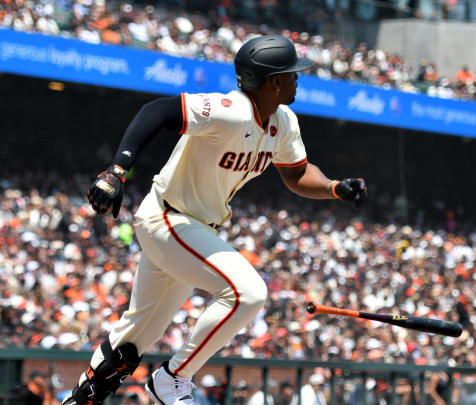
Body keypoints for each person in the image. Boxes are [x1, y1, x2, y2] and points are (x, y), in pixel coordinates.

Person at [61, 34, 368, 405]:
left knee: (134, 338)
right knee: (249, 293)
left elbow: (297, 175)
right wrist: (116, 172)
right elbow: (155, 111)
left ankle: (79, 400)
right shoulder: (229, 109)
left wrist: (334, 187)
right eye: (292, 73)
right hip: (168, 219)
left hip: (190, 230)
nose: (297, 79)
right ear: (273, 82)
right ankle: (173, 379)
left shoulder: (283, 121)